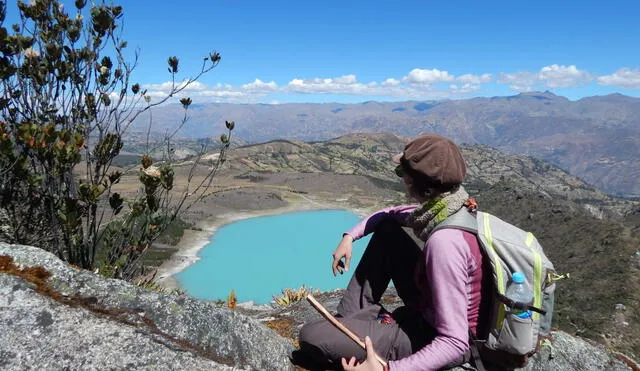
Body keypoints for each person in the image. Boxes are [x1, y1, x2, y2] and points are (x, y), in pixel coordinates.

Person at [297, 133, 489, 371]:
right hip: (430, 304)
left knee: (312, 336)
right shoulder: (453, 209)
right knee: (387, 231)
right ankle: (352, 324)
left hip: (432, 334)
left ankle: (356, 328)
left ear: (421, 186)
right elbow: (389, 215)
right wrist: (349, 237)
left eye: (402, 174)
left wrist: (387, 370)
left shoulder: (445, 244)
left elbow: (454, 343)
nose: (401, 179)